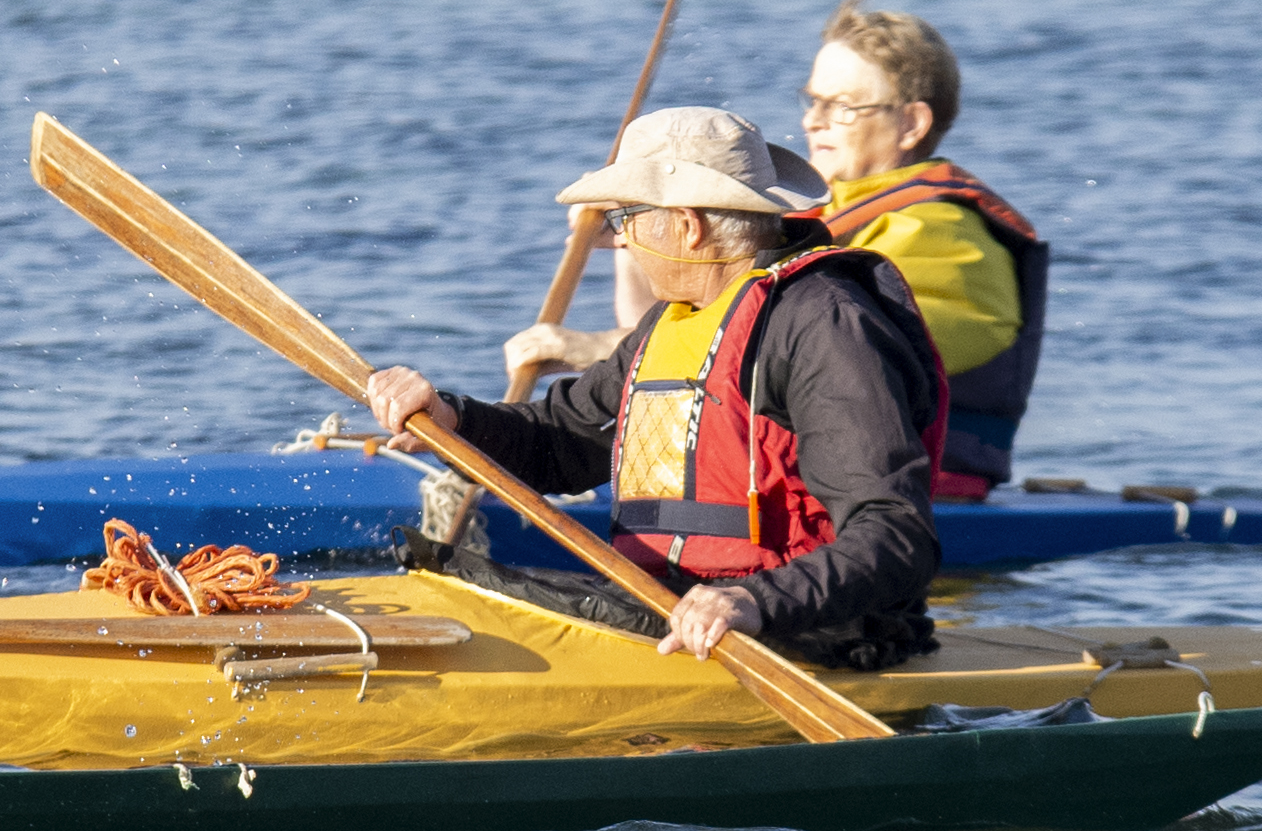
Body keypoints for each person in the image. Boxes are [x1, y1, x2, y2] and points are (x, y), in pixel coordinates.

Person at [359, 108, 946, 673]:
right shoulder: (675, 319)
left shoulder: (826, 325)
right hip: (678, 612)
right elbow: (562, 443)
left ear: (687, 226)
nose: (620, 241)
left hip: (809, 634)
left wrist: (751, 602)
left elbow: (894, 533)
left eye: (625, 219)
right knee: (447, 575)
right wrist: (449, 417)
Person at [793, 0, 1047, 499]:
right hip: (832, 480)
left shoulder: (939, 231)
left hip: (910, 492)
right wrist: (636, 234)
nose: (812, 122)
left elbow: (839, 350)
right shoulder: (828, 218)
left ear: (911, 124)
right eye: (812, 101)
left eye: (840, 107)